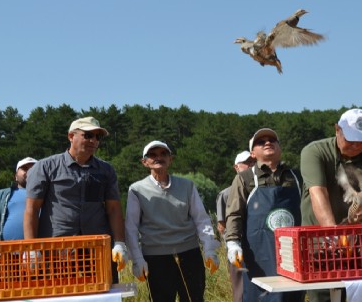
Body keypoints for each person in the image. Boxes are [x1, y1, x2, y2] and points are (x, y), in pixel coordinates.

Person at [300, 108, 362, 302]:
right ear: (337, 130)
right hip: (319, 245)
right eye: (351, 139)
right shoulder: (314, 151)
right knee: (324, 295)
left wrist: (352, 229)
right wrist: (333, 234)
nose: (357, 145)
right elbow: (318, 193)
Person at [23, 116, 128, 283]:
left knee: (102, 294)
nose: (93, 140)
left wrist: (120, 243)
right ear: (71, 136)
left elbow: (114, 209)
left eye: (97, 137)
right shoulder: (45, 167)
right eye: (87, 135)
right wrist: (31, 249)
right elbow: (32, 209)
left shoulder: (106, 170)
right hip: (57, 250)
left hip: (97, 249)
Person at [125, 140, 220, 302]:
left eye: (163, 154)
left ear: (171, 159)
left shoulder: (187, 186)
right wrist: (137, 259)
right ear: (144, 162)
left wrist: (210, 248)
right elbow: (131, 227)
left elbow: (201, 220)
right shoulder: (136, 189)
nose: (158, 158)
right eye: (152, 155)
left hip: (189, 254)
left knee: (193, 299)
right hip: (156, 259)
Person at [224, 128, 304, 302]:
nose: (267, 143)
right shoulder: (244, 178)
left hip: (293, 253)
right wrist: (232, 242)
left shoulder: (296, 177)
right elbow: (234, 213)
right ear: (253, 153)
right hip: (258, 254)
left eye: (272, 140)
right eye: (261, 142)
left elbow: (307, 210)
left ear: (279, 147)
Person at [216, 150, 254, 302]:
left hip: (259, 246)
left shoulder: (261, 187)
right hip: (238, 249)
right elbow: (222, 225)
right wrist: (231, 246)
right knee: (240, 289)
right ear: (236, 167)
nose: (251, 166)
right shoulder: (225, 193)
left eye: (253, 162)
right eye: (247, 163)